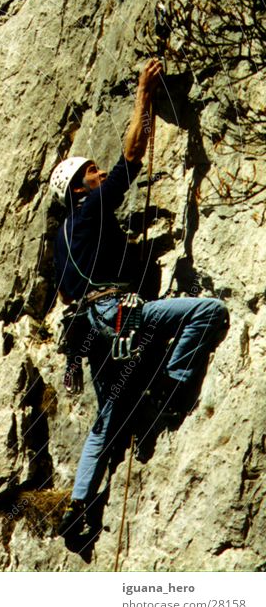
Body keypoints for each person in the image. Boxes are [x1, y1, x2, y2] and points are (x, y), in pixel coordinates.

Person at [50, 58, 229, 537]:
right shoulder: (90, 210)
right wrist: (143, 94)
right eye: (91, 170)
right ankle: (170, 387)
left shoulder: (62, 241)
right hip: (118, 317)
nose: (99, 172)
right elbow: (131, 156)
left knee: (104, 423)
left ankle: (76, 507)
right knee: (207, 311)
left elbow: (73, 289)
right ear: (79, 188)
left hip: (91, 333)